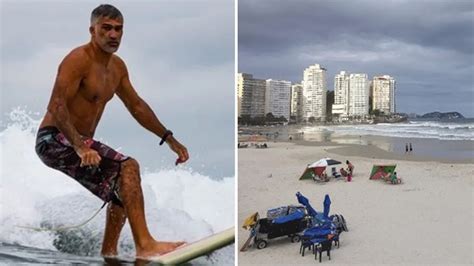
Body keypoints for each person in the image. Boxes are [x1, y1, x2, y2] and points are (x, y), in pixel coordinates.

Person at [35, 4, 189, 258]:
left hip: (79, 141)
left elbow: (136, 105)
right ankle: (145, 245)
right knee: (128, 167)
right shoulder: (78, 60)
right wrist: (80, 146)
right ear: (92, 30)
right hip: (54, 139)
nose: (113, 35)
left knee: (122, 189)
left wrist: (169, 138)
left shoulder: (117, 68)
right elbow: (57, 105)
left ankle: (109, 253)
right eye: (106, 28)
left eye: (118, 29)